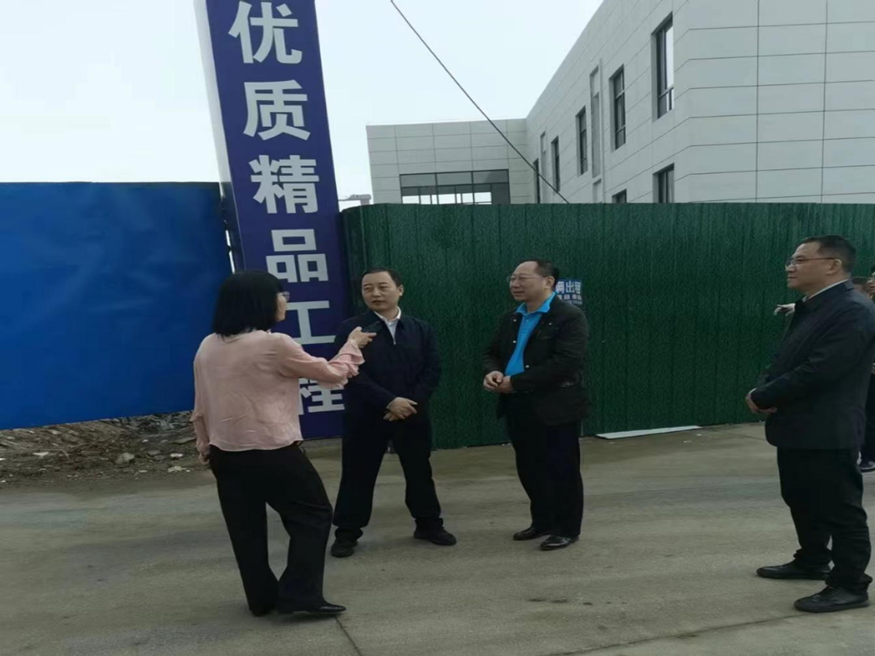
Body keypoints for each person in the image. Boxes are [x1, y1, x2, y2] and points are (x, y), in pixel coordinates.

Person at [192, 271, 375, 617]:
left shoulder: (208, 345)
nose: (284, 301)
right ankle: (300, 595)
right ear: (261, 301)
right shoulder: (273, 344)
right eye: (281, 294)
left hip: (224, 453)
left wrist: (205, 446)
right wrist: (352, 345)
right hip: (272, 451)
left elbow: (201, 404)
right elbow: (333, 374)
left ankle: (261, 599)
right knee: (314, 514)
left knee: (245, 528)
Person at [747, 236, 875, 613]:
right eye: (791, 259)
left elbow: (821, 368)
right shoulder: (812, 305)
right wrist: (765, 387)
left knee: (840, 509)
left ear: (833, 265)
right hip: (797, 424)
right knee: (801, 498)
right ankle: (813, 559)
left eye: (800, 260)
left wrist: (765, 395)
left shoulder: (853, 309)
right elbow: (786, 358)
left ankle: (850, 584)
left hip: (827, 428)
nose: (791, 266)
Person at [330, 268, 456, 558]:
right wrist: (388, 402)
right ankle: (347, 533)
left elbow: (432, 370)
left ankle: (428, 524)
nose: (375, 293)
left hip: (411, 414)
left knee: (419, 472)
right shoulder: (352, 329)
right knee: (357, 475)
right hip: (365, 416)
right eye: (368, 288)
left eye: (382, 287)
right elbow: (350, 372)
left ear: (400, 289)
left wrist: (408, 403)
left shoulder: (421, 329)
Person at [483, 259, 589, 551]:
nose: (515, 284)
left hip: (556, 406)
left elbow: (566, 362)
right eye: (512, 278)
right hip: (517, 404)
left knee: (562, 469)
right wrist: (493, 372)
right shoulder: (511, 317)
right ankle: (543, 521)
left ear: (548, 281)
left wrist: (516, 382)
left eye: (523, 278)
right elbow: (492, 352)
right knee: (530, 468)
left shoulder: (569, 316)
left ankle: (567, 529)